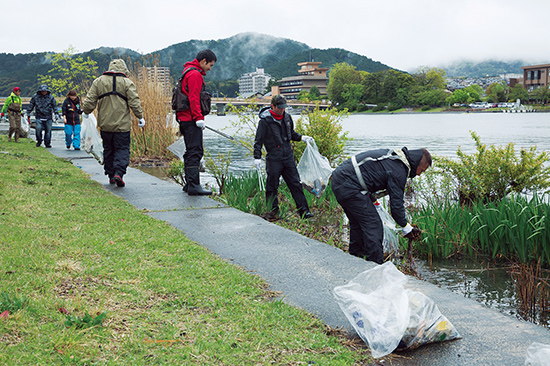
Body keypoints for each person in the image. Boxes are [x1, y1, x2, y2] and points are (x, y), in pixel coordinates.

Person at [331, 147, 432, 264]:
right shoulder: (399, 170)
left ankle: (356, 260)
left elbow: (371, 173)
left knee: (358, 223)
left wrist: (372, 198)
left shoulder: (396, 159)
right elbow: (396, 206)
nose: (419, 174)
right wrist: (406, 226)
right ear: (417, 163)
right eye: (422, 170)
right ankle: (375, 266)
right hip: (348, 184)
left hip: (341, 179)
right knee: (373, 225)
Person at [82, 59, 145, 188]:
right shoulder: (128, 83)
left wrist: (86, 112)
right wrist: (140, 117)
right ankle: (119, 173)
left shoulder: (99, 81)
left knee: (108, 149)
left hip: (105, 125)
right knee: (122, 149)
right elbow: (134, 102)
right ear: (124, 69)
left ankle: (111, 175)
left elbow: (89, 101)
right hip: (122, 126)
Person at [253, 95, 314, 220]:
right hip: (274, 158)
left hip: (288, 157)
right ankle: (273, 212)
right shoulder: (264, 121)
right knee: (272, 187)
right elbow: (258, 141)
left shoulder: (287, 117)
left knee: (295, 184)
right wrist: (257, 157)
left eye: (284, 108)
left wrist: (302, 138)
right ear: (273, 106)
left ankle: (304, 212)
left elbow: (291, 134)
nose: (282, 110)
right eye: (280, 108)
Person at [176, 49, 217, 196]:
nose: (210, 69)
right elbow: (194, 98)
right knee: (195, 151)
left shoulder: (187, 71)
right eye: (210, 65)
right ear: (203, 61)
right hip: (191, 119)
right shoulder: (195, 74)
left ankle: (189, 184)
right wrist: (198, 118)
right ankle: (194, 186)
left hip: (185, 118)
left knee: (190, 151)